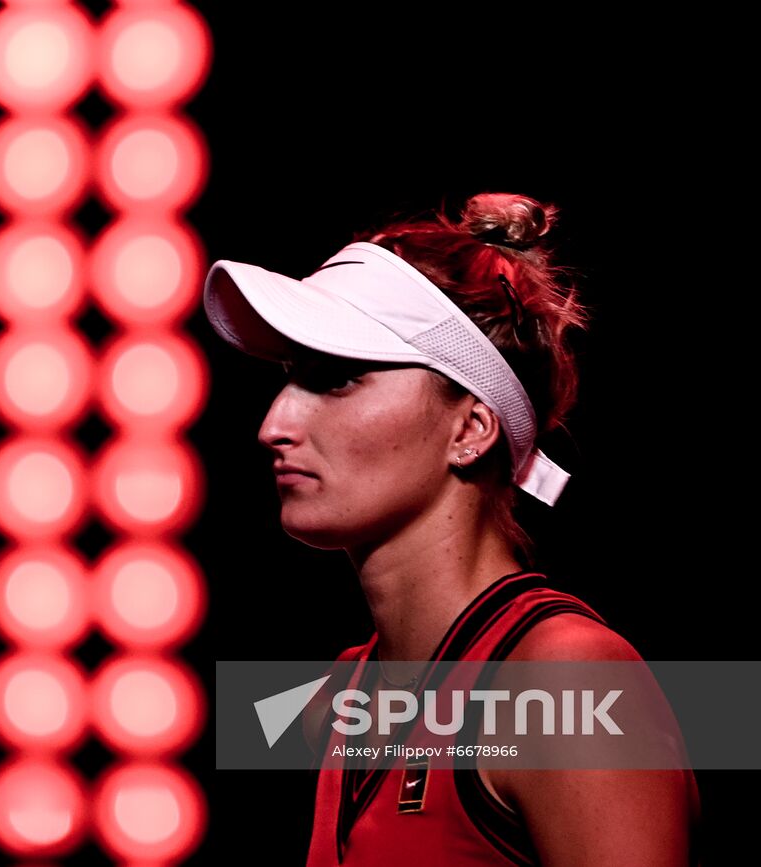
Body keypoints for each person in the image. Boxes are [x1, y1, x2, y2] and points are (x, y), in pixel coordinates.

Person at [201, 192, 701, 865]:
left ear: (470, 428)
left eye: (339, 377)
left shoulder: (566, 679)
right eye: (293, 376)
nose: (273, 426)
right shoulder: (339, 698)